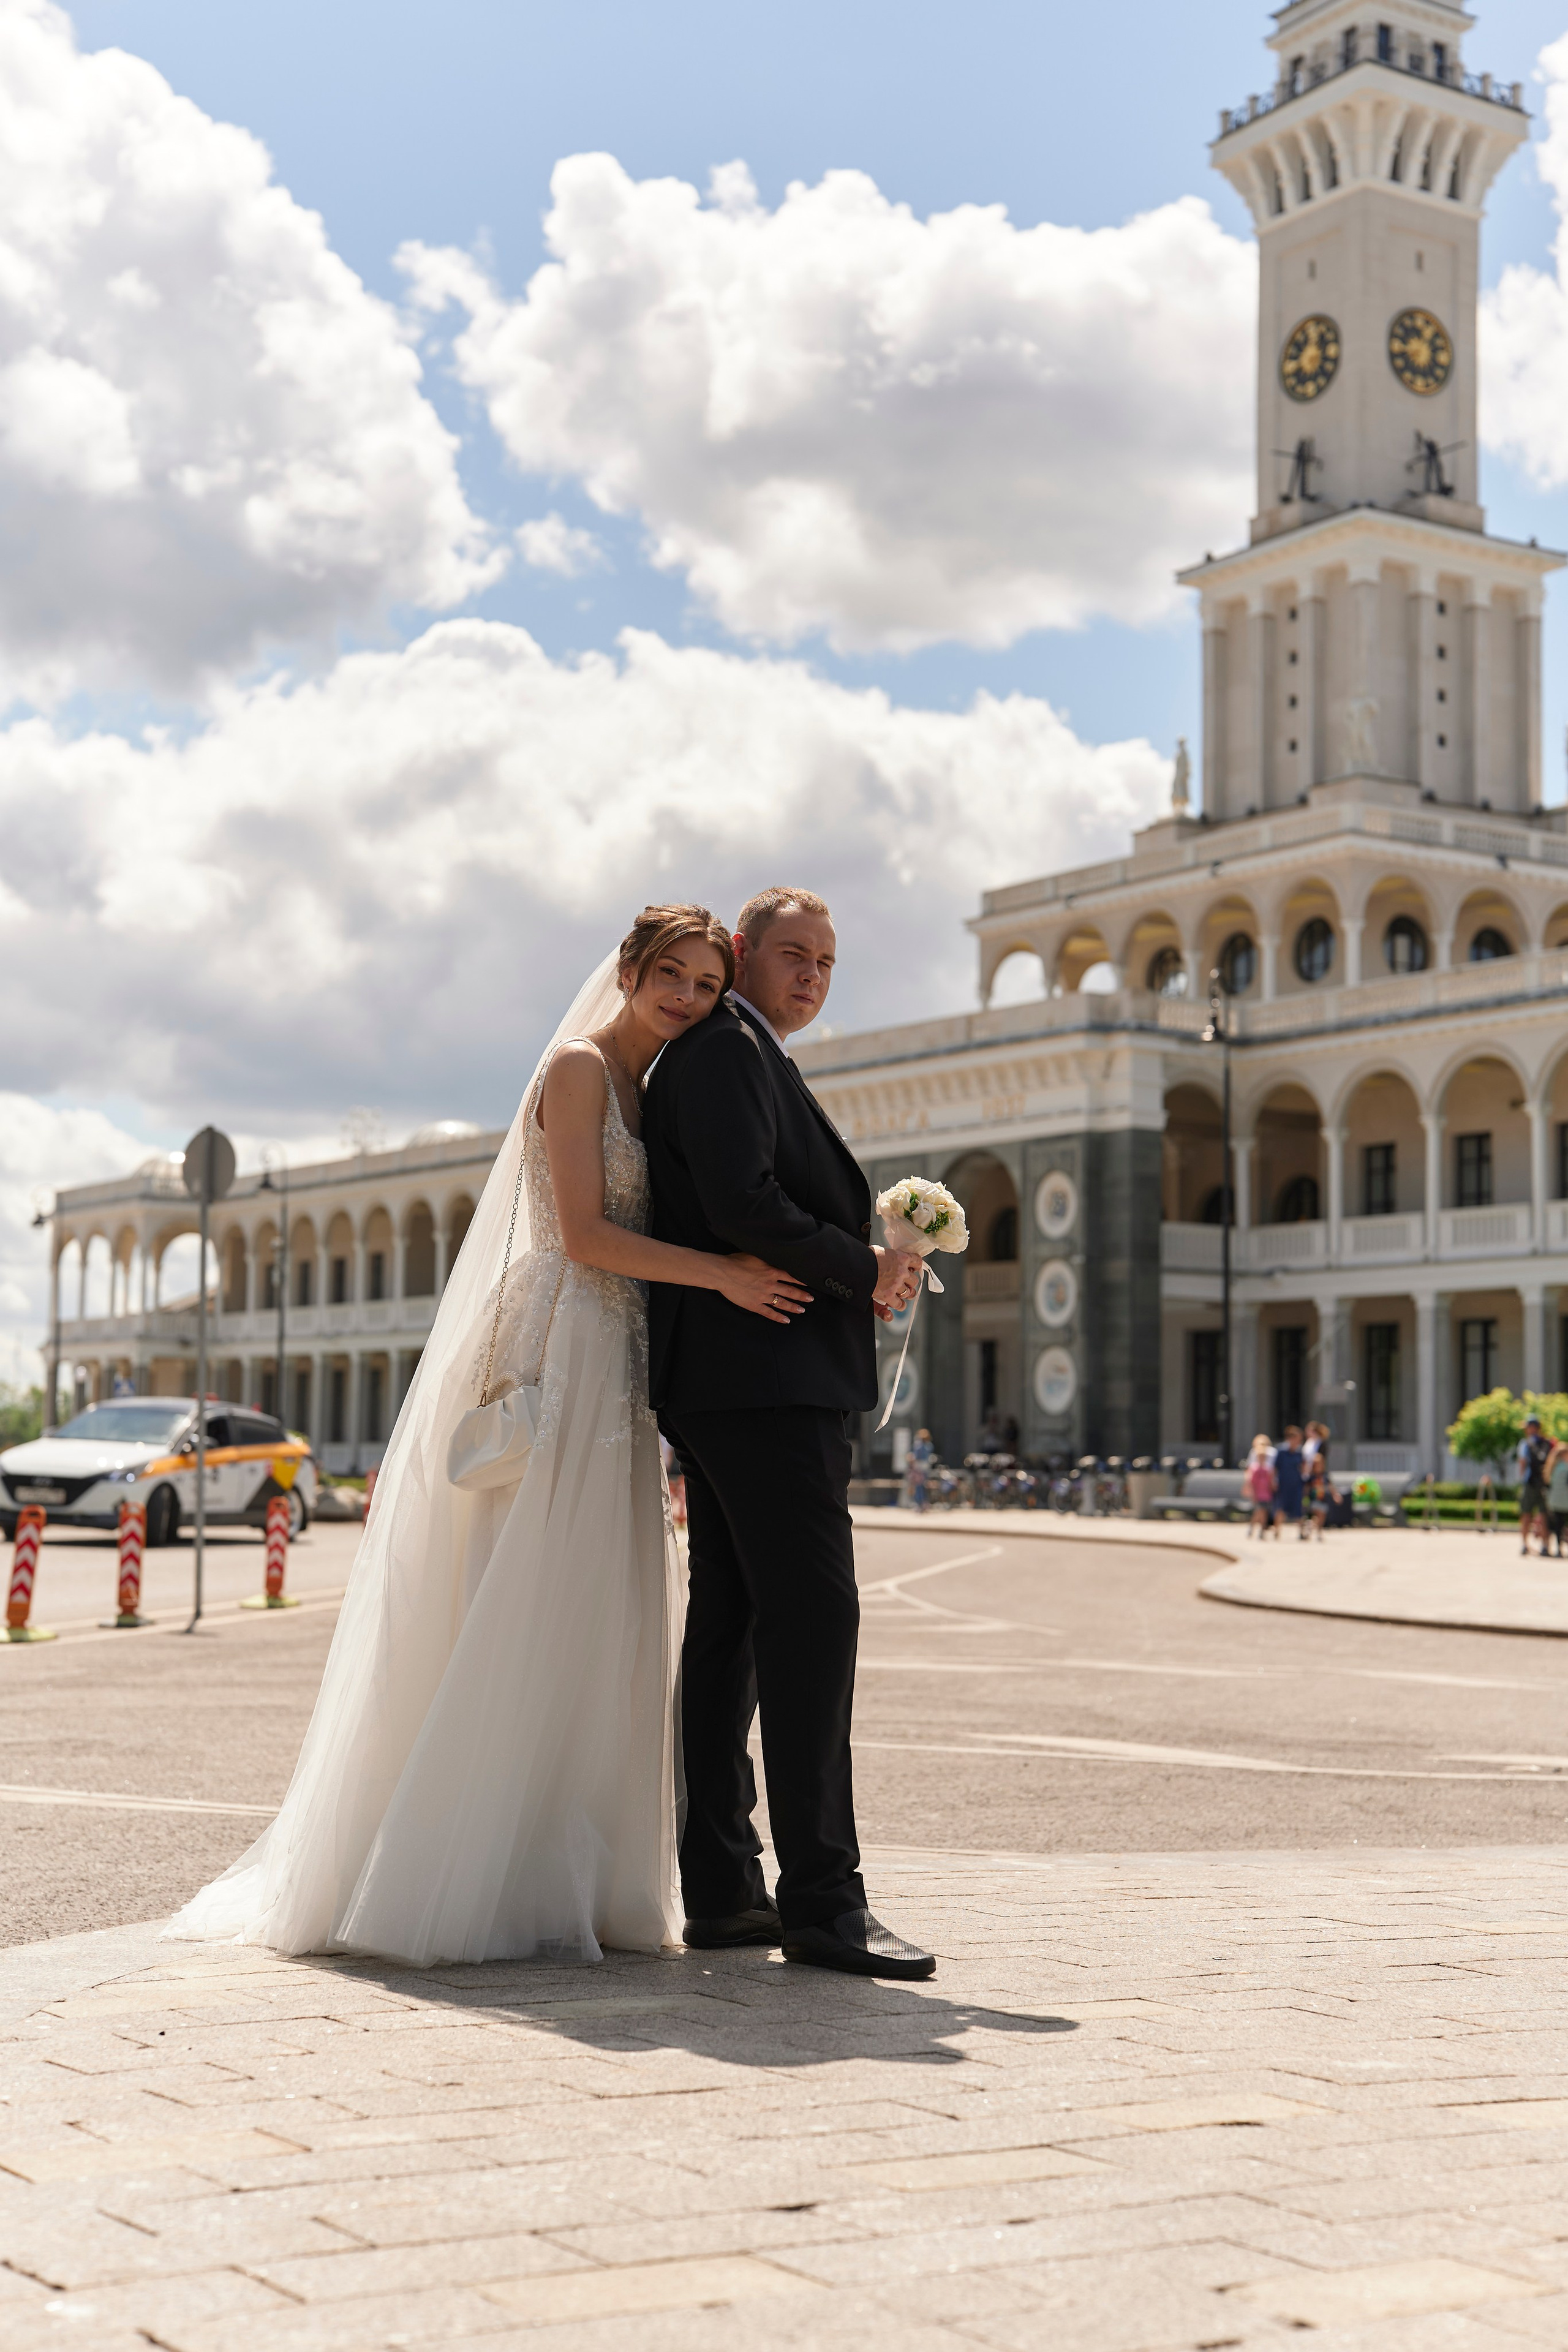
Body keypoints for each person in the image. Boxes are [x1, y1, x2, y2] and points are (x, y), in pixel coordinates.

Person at [165, 905, 815, 1965]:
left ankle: (573, 1874)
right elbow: (587, 1232)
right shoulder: (577, 1069)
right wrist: (725, 1274)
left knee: (600, 1608)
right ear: (629, 969)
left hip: (621, 1368)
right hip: (566, 1348)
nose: (688, 999)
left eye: (705, 984)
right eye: (672, 977)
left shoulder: (657, 1085)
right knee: (528, 1596)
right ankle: (472, 1873)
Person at [643, 885, 933, 1981]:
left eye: (828, 962)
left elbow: (754, 1203)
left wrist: (868, 1269)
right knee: (812, 1628)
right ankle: (824, 1901)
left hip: (735, 1381)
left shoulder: (740, 1050)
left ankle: (723, 1891)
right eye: (792, 955)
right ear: (741, 954)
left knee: (731, 1630)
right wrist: (865, 1266)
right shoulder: (726, 1051)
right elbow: (742, 1202)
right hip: (763, 1385)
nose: (811, 976)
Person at [1517, 1414, 1551, 1558]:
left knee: (1526, 1514)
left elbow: (1523, 1463)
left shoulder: (1526, 1443)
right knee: (1544, 1515)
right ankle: (1545, 1546)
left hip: (1529, 1483)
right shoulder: (1547, 1443)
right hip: (1544, 1484)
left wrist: (1521, 1479)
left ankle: (1524, 1544)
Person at [1272, 1424, 1306, 1539]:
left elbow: (1302, 1468)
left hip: (1296, 1484)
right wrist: (1274, 1481)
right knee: (1281, 1507)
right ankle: (1277, 1530)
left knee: (1298, 1508)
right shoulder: (1281, 1451)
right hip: (1284, 1483)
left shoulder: (1299, 1452)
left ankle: (1301, 1532)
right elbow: (1275, 1468)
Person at [1303, 1419, 1332, 1540]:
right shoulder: (1309, 1443)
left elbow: (1321, 1460)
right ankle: (1310, 1527)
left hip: (1318, 1479)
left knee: (1321, 1509)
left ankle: (1316, 1529)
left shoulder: (1322, 1444)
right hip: (1309, 1476)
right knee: (1311, 1507)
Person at [1243, 1433, 1276, 1538]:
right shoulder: (1255, 1468)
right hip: (1258, 1492)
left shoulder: (1267, 1468)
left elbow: (1271, 1478)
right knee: (1259, 1510)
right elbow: (1251, 1479)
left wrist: (1273, 1487)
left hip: (1266, 1492)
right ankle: (1255, 1528)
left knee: (1264, 1511)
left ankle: (1260, 1529)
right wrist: (1250, 1489)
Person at [1545, 1438, 1568, 1561]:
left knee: (1558, 1526)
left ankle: (1559, 1549)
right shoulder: (1566, 1468)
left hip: (1554, 1502)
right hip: (1565, 1502)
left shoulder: (1553, 1468)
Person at [905, 1427, 935, 1513]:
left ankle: (920, 1504)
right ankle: (924, 1504)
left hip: (918, 1468)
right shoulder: (929, 1445)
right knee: (923, 1486)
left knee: (918, 1487)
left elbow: (915, 1456)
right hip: (925, 1468)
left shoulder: (919, 1445)